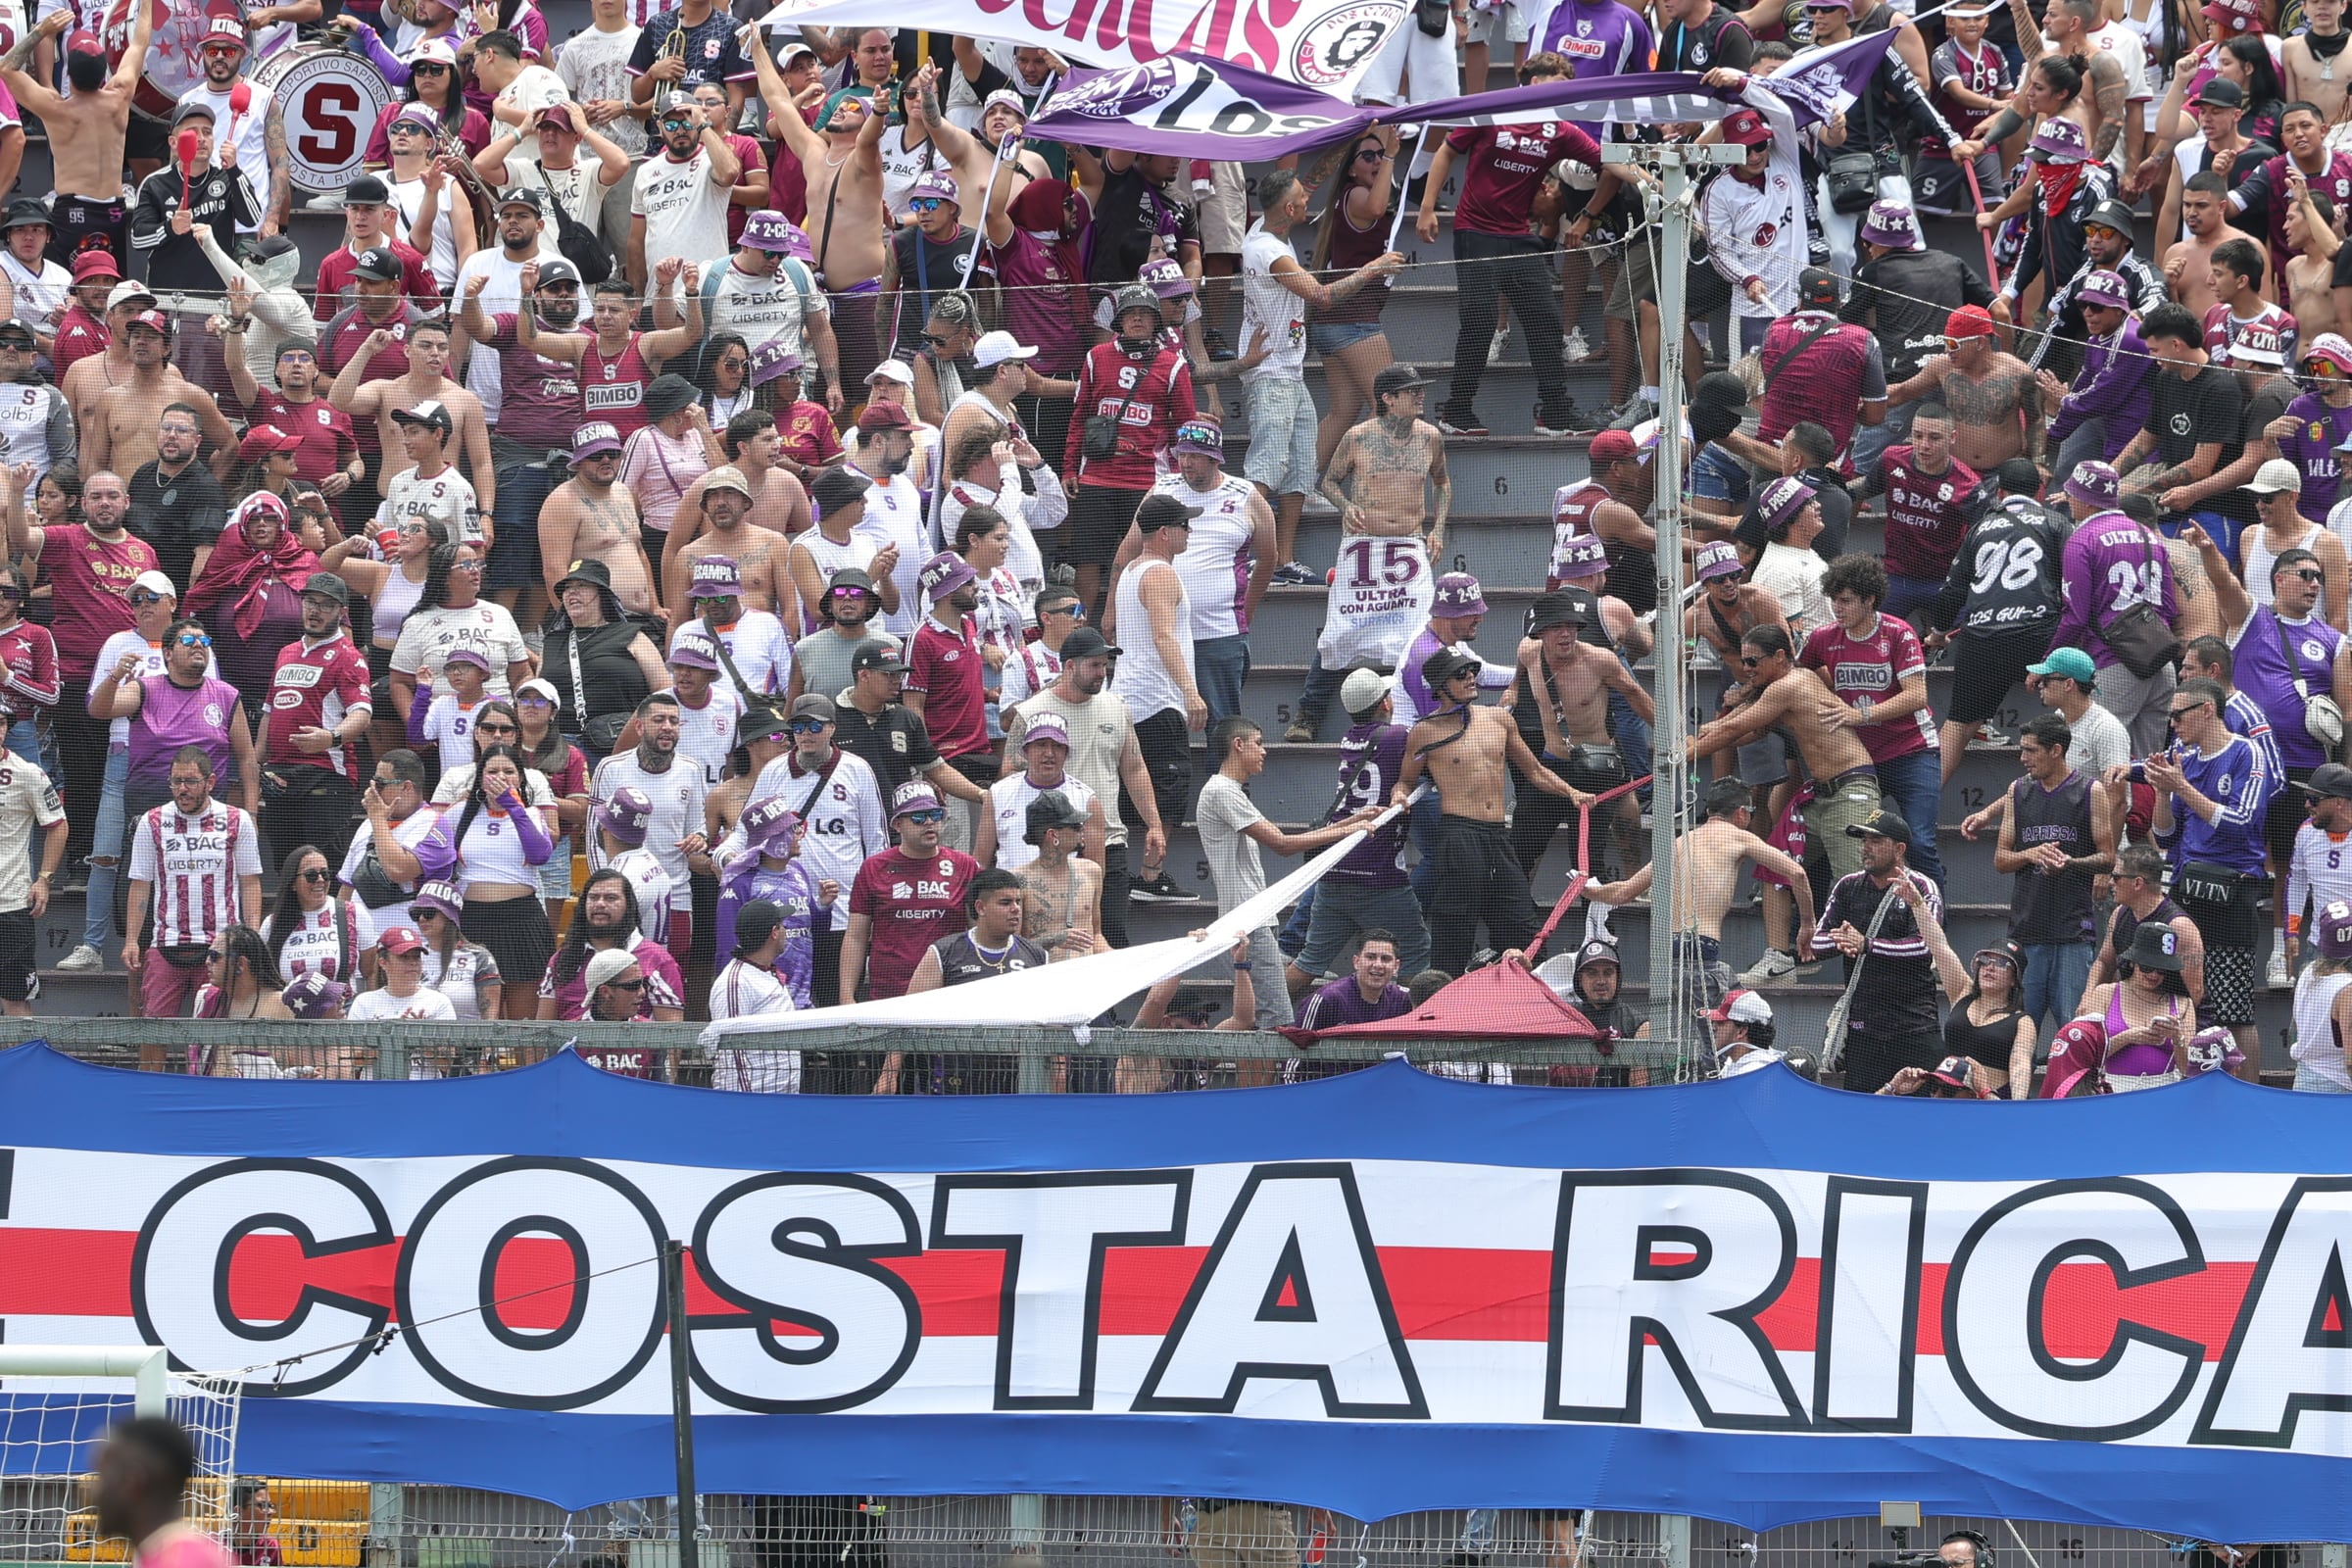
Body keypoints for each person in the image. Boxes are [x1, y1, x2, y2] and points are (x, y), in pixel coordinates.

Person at [1395, 650, 1588, 976]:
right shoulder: (1424, 732)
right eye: (1461, 674)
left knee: (1521, 921)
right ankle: (1446, 1003)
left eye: (1472, 670)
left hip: (1498, 835)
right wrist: (1399, 799)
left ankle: (1526, 993)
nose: (1471, 677)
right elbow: (1404, 781)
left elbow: (1536, 771)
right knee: (1455, 925)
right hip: (1458, 836)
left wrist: (1572, 793)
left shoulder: (1499, 718)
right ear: (1441, 687)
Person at [1196, 717, 1379, 1029]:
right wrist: (1348, 832)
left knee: (1248, 1019)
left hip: (1252, 918)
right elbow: (1282, 844)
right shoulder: (1222, 792)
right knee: (1278, 1018)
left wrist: (1352, 821)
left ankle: (1195, 1069)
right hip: (1248, 921)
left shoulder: (1228, 792)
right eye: (1258, 742)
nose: (1264, 751)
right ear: (1238, 745)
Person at [2143, 675, 2276, 1077]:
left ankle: (2247, 1095)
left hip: (2232, 891)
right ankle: (2184, 1083)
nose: (2173, 726)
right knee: (2182, 996)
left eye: (2178, 716)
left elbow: (2241, 820)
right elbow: (2166, 836)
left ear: (2206, 711)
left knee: (2234, 1007)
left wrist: (2181, 786)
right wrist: (2164, 792)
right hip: (2187, 892)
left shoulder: (2247, 754)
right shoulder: (2185, 757)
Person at [1584, 776, 1818, 1002]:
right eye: (1751, 814)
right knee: (1710, 1028)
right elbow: (1797, 873)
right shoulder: (1739, 837)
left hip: (1671, 947)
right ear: (1741, 813)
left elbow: (1624, 892)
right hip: (1701, 946)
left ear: (1708, 812)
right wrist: (1807, 923)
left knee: (1735, 1007)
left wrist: (1586, 889)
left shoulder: (1680, 843)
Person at [1689, 626, 1885, 880]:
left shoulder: (1789, 686)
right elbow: (1746, 732)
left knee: (1853, 882)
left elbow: (1733, 728)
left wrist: (1684, 757)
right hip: (1823, 795)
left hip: (1849, 791)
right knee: (1774, 872)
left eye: (1752, 661)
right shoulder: (1786, 685)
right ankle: (1803, 922)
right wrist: (1707, 734)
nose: (1746, 668)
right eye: (1743, 661)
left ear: (1779, 656)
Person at [734, 692, 887, 1011]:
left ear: (832, 728)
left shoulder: (857, 770)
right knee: (788, 1001)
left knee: (837, 1000)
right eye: (799, 726)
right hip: (788, 913)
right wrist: (723, 857)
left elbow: (876, 842)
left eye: (814, 726)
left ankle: (839, 1064)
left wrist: (873, 906)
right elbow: (746, 832)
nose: (806, 733)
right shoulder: (774, 771)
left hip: (843, 911)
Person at [1801, 556, 1948, 889]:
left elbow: (1916, 697)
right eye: (1834, 600)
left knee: (1920, 842)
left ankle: (1935, 921)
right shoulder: (1823, 638)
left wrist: (1859, 714)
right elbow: (1800, 674)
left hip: (1912, 751)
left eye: (1846, 601)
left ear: (1870, 599)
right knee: (1842, 837)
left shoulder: (1899, 633)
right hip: (1862, 760)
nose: (1837, 608)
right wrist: (1831, 693)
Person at [1285, 670, 1431, 994]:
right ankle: (1423, 1026)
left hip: (1336, 869)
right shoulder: (1397, 736)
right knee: (1416, 956)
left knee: (1310, 960)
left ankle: (1262, 1016)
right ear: (1385, 703)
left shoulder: (1349, 737)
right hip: (1378, 874)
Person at [1928, 459, 2068, 782]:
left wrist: (1938, 633)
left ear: (2000, 492)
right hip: (2040, 638)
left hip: (1982, 641)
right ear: (2041, 492)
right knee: (2074, 713)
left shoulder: (1980, 527)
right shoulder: (2055, 522)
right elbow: (2072, 585)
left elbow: (1952, 590)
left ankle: (1921, 817)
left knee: (1958, 725)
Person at [1065, 285, 1199, 619]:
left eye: (1145, 313)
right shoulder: (1096, 357)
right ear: (1119, 321)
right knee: (1088, 560)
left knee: (1144, 559)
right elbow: (1079, 415)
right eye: (1130, 313)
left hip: (1148, 482)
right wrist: (1069, 469)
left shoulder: (1173, 364)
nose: (1137, 318)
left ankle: (1130, 627)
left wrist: (1180, 477)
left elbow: (1185, 425)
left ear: (1157, 321)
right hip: (1096, 477)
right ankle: (1081, 633)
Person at [416, 741, 558, 1023]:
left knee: (524, 1024)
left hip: (522, 922)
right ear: (481, 777)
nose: (502, 777)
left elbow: (540, 854)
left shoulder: (531, 815)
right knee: (478, 1018)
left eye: (509, 771)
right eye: (493, 771)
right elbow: (432, 857)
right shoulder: (458, 814)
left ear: (521, 778)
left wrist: (512, 804)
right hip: (473, 921)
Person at [0, 12, 152, 270]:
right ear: (103, 70)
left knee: (68, 293)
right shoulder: (120, 97)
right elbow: (139, 42)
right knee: (109, 293)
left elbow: (6, 67)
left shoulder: (56, 109)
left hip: (72, 213)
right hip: (113, 214)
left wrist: (41, 30)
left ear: (67, 72)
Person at [123, 747, 265, 1020]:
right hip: (166, 941)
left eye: (190, 781)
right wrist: (131, 940)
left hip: (221, 943)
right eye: (176, 781)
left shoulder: (237, 820)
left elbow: (250, 882)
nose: (182, 789)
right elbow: (140, 884)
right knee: (153, 1029)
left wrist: (253, 934)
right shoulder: (151, 821)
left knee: (217, 1034)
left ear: (210, 782)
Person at [2048, 462, 2177, 758]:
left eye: (2071, 494)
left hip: (2114, 666)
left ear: (2085, 499)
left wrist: (2051, 662)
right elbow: (2169, 608)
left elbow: (2075, 617)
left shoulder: (2081, 539)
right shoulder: (2148, 535)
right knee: (2149, 770)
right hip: (2160, 664)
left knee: (2086, 761)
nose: (2068, 500)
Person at [1813, 810, 1947, 1094]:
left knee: (1927, 1111)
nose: (1865, 847)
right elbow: (1817, 943)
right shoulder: (1847, 886)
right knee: (1862, 1114)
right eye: (1864, 840)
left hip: (1915, 1026)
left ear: (1899, 849)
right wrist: (1842, 940)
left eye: (1875, 840)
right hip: (1864, 1030)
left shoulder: (1921, 886)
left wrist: (1867, 945)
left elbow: (1925, 946)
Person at [589, 692, 710, 965]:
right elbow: (593, 836)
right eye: (659, 720)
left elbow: (699, 827)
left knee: (669, 974)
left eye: (674, 721)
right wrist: (608, 889)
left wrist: (699, 838)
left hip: (675, 896)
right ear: (640, 727)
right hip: (623, 897)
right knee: (620, 974)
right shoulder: (610, 768)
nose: (667, 726)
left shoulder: (691, 770)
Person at [842, 780, 981, 1004]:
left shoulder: (966, 865)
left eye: (935, 815)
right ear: (897, 824)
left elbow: (978, 932)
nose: (929, 822)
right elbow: (856, 937)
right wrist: (846, 996)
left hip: (949, 989)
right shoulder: (873, 867)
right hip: (890, 993)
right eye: (918, 817)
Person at [541, 554, 666, 760]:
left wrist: (635, 737)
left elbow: (663, 689)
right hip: (561, 753)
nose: (572, 592)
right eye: (567, 588)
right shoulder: (552, 642)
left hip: (620, 748)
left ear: (601, 594)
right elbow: (540, 695)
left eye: (582, 585)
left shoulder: (632, 635)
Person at [539, 871, 685, 1042]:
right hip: (572, 1063)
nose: (600, 904)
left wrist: (667, 1069)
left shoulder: (657, 959)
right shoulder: (562, 959)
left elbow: (673, 1036)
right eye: (593, 897)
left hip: (634, 1063)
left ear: (628, 906)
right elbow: (542, 1029)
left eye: (610, 898)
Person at [973, 713, 1106, 872]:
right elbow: (980, 862)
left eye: (1057, 746)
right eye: (1041, 744)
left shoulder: (1087, 799)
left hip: (1062, 893)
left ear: (1066, 752)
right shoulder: (998, 793)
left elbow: (1095, 871)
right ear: (1026, 750)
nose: (1049, 753)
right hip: (1011, 892)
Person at [260, 842, 374, 992]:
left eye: (325, 874)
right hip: (287, 1012)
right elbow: (264, 978)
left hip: (341, 1011)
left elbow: (370, 972)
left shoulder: (353, 913)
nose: (320, 880)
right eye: (311, 875)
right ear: (293, 883)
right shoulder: (272, 923)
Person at [1293, 930, 1411, 1068]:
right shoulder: (1326, 999)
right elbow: (1294, 1055)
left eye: (1385, 959)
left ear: (1396, 966)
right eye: (1371, 957)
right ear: (1356, 962)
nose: (1378, 965)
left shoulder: (1405, 999)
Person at [1008, 791, 1101, 966]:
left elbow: (1097, 935)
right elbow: (1011, 949)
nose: (1082, 830)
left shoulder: (1091, 871)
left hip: (1088, 975)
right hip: (1043, 976)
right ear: (1053, 835)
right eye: (1075, 826)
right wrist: (1054, 940)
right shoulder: (1018, 880)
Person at [408, 878, 502, 1019]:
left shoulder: (479, 957)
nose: (421, 918)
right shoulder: (411, 954)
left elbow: (490, 1017)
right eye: (416, 913)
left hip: (467, 1038)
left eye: (429, 913)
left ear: (448, 916)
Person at [2290, 895, 2352, 1092]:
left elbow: (2297, 1030)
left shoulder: (2308, 971)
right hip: (2336, 1088)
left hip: (2304, 1081)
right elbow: (2351, 1059)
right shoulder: (2347, 988)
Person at [1707, 989, 1787, 1078]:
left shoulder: (1752, 1072)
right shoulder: (1737, 1062)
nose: (1714, 1027)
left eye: (1721, 1023)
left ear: (1741, 1031)